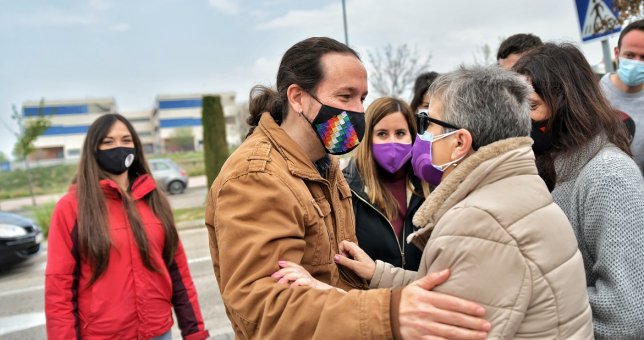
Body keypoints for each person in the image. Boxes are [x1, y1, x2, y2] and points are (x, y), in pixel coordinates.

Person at [275, 65, 594, 339]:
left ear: (459, 142)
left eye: (429, 124)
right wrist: (378, 274)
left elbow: (441, 325)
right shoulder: (520, 192)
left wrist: (332, 298)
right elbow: (457, 290)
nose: (421, 136)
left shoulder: (480, 220)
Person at [205, 37, 491, 339]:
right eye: (345, 97)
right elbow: (265, 310)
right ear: (298, 97)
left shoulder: (324, 165)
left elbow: (336, 278)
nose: (357, 111)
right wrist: (387, 313)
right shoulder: (257, 176)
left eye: (362, 99)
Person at [513, 42, 644, 339]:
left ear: (567, 102)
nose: (521, 120)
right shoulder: (549, 167)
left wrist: (524, 309)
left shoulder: (609, 175)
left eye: (531, 106)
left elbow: (627, 314)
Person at [45, 114, 209, 339]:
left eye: (126, 140)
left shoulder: (155, 200)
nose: (119, 147)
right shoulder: (71, 208)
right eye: (108, 142)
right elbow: (59, 289)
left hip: (158, 332)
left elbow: (178, 273)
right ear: (93, 149)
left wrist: (195, 332)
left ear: (136, 146)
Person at [343, 97, 423, 271]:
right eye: (382, 134)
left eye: (400, 133)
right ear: (368, 136)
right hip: (369, 297)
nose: (392, 142)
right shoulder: (347, 188)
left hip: (421, 294)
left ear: (413, 135)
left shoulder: (428, 186)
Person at [599, 19, 644, 173]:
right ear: (617, 53)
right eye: (630, 55)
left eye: (643, 57)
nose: (637, 62)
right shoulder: (594, 94)